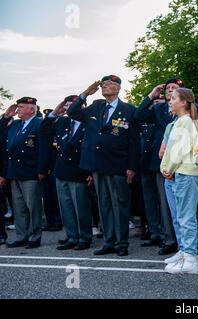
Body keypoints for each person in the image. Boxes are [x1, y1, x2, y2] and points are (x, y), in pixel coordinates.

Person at [67, 75, 140, 257]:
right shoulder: (96, 106)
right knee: (104, 204)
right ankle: (109, 241)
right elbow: (73, 112)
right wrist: (84, 94)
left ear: (118, 88)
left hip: (118, 164)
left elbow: (134, 142)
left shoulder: (129, 110)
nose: (104, 86)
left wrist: (132, 167)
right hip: (97, 164)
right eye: (103, 84)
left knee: (120, 204)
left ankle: (121, 243)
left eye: (109, 84)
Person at [135, 79, 186, 255]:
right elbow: (139, 115)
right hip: (162, 163)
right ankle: (170, 240)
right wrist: (151, 95)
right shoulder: (158, 109)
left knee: (182, 205)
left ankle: (185, 243)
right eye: (167, 89)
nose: (170, 90)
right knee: (166, 205)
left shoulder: (191, 108)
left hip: (183, 162)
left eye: (175, 88)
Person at [40, 95, 93, 251]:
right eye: (67, 105)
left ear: (82, 107)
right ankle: (71, 236)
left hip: (79, 171)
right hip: (61, 170)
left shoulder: (88, 123)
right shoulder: (63, 122)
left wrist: (90, 171)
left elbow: (91, 150)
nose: (69, 108)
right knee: (66, 207)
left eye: (73, 105)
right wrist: (54, 113)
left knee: (80, 207)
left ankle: (84, 237)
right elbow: (43, 131)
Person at [160, 88, 198, 274]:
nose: (170, 100)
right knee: (181, 216)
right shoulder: (180, 122)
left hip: (185, 173)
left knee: (186, 217)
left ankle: (191, 258)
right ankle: (185, 251)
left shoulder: (185, 122)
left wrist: (168, 168)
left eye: (174, 98)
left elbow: (178, 150)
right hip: (182, 172)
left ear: (183, 102)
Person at [0, 97, 47, 249]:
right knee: (19, 207)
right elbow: (1, 133)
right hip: (15, 172)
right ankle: (21, 236)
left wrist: (41, 170)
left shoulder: (39, 124)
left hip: (31, 171)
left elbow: (43, 150)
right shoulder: (15, 124)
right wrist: (6, 116)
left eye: (21, 107)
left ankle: (34, 237)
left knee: (33, 207)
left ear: (32, 109)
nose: (18, 109)